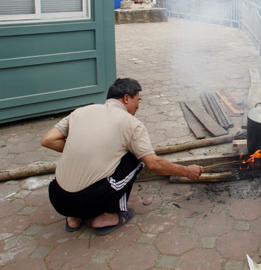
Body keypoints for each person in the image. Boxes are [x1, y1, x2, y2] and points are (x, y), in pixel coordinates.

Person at [41, 77, 203, 235]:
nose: (137, 108)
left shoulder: (80, 112)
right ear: (126, 98)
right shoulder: (130, 123)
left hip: (58, 199)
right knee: (136, 158)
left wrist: (77, 149)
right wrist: (187, 171)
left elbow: (48, 140)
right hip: (91, 202)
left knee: (79, 173)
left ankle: (74, 219)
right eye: (137, 102)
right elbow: (154, 164)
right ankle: (110, 215)